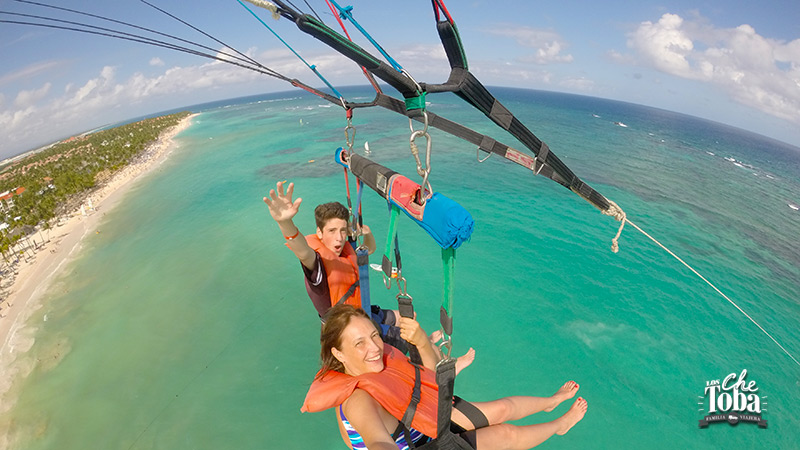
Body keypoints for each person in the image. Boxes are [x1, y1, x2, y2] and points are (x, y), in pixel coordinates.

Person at [303, 305, 587, 450]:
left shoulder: (383, 359)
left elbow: (432, 376)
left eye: (374, 335)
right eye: (359, 343)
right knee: (506, 434)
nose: (374, 347)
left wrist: (423, 343)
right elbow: (379, 441)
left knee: (503, 408)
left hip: (423, 418)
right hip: (422, 443)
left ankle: (550, 402)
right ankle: (559, 425)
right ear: (338, 354)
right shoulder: (358, 399)